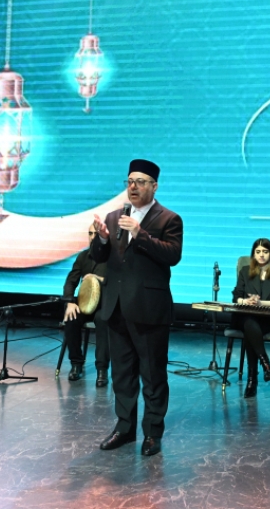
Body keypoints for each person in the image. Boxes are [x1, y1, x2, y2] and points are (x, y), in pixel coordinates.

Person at [91, 159, 183, 457]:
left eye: (140, 182)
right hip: (116, 306)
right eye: (130, 181)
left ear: (154, 186)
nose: (133, 186)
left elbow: (172, 256)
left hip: (149, 308)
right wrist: (101, 238)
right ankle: (124, 428)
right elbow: (99, 256)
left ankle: (152, 433)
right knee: (122, 373)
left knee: (153, 374)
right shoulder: (114, 216)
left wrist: (140, 233)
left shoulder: (169, 219)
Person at [232, 238, 270, 398]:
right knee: (250, 322)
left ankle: (252, 380)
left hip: (268, 319)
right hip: (245, 317)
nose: (261, 255)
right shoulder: (245, 271)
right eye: (258, 252)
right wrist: (246, 301)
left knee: (251, 329)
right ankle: (266, 364)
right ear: (253, 254)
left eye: (265, 251)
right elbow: (236, 296)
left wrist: (259, 303)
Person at [62, 228, 109, 386]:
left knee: (103, 320)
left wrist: (97, 278)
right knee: (71, 318)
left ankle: (102, 369)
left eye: (96, 233)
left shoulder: (112, 257)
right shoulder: (83, 256)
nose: (93, 236)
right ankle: (76, 364)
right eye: (90, 233)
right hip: (85, 303)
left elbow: (118, 283)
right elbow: (71, 281)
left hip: (104, 305)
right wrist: (69, 301)